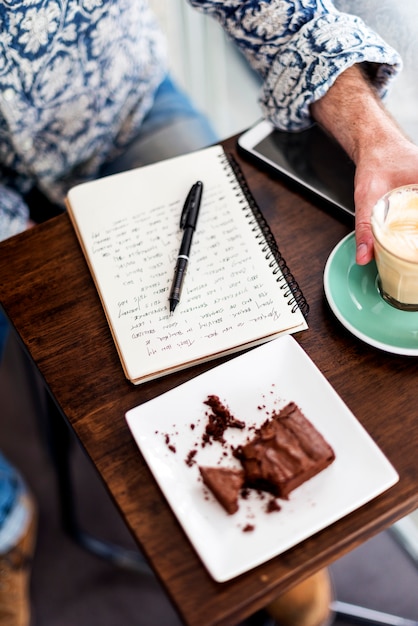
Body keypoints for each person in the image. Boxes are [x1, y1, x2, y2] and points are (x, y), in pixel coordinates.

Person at [1, 2, 418, 626]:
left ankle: (282, 553)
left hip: (124, 103)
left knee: (234, 317)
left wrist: (376, 133)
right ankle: (7, 522)